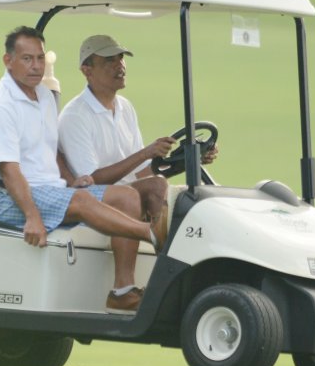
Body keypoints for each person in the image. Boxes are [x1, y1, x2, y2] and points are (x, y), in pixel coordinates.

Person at [0, 26, 164, 314]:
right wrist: (32, 217)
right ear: (8, 61)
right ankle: (154, 234)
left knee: (126, 197)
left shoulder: (43, 97)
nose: (36, 66)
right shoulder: (0, 107)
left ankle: (122, 292)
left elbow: (52, 151)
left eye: (39, 58)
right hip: (1, 198)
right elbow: (9, 171)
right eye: (26, 59)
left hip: (46, 190)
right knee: (83, 201)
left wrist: (72, 180)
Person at [58, 34, 219, 312]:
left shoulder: (125, 108)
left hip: (120, 191)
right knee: (129, 197)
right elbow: (91, 178)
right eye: (109, 60)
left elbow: (142, 174)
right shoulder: (76, 115)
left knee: (161, 188)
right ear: (87, 70)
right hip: (87, 196)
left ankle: (170, 275)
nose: (119, 65)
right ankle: (123, 290)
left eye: (120, 58)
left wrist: (188, 161)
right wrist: (145, 152)